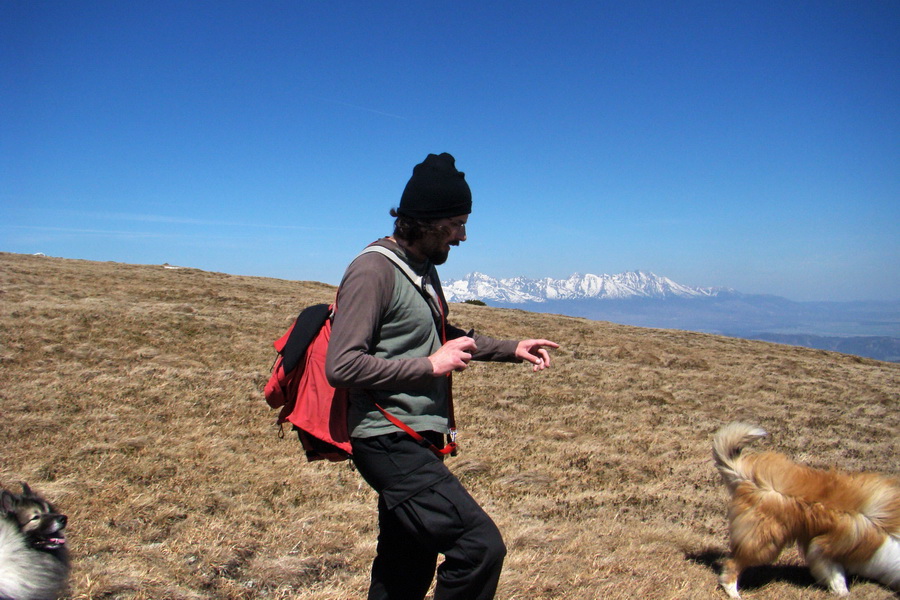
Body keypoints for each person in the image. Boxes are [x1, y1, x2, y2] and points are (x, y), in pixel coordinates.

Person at [325, 152, 558, 600]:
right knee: (478, 547)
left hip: (417, 439)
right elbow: (342, 365)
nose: (463, 236)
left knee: (405, 565)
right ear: (426, 222)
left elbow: (437, 333)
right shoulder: (372, 270)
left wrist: (512, 348)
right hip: (386, 438)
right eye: (456, 224)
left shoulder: (422, 270)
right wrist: (430, 366)